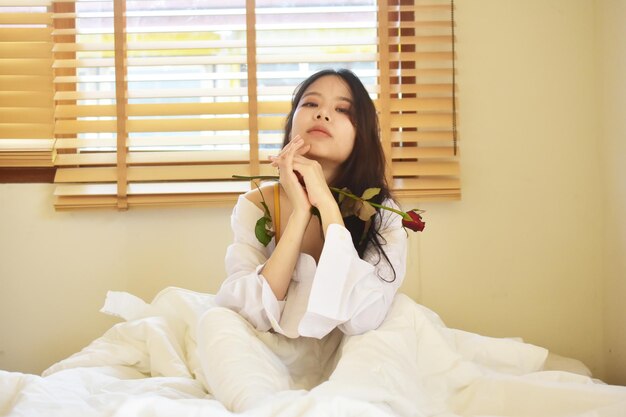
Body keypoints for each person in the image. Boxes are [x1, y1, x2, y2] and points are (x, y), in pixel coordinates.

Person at [196, 68, 410, 412]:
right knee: (214, 320)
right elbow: (249, 311)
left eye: (343, 110)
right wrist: (298, 213)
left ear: (362, 136)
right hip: (272, 349)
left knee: (391, 326)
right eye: (311, 103)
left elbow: (362, 317)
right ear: (292, 123)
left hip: (351, 347)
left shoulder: (380, 211)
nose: (323, 113)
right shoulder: (256, 204)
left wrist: (326, 205)